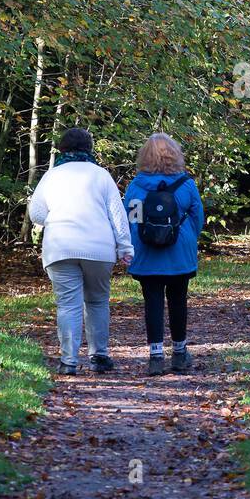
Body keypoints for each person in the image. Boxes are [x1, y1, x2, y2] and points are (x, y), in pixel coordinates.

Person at [27, 128, 133, 376]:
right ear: (90, 149)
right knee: (96, 301)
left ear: (62, 149)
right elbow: (117, 215)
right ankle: (99, 356)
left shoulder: (51, 176)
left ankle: (69, 361)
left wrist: (59, 219)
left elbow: (36, 214)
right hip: (99, 249)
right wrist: (125, 247)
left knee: (67, 305)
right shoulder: (101, 175)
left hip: (60, 248)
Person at [123, 132, 204, 376]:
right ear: (175, 155)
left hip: (147, 255)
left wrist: (136, 246)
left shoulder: (136, 186)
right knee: (179, 300)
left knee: (152, 301)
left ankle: (156, 356)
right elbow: (198, 218)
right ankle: (179, 353)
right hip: (180, 253)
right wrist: (188, 239)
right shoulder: (186, 185)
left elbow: (132, 220)